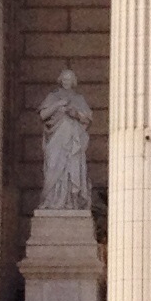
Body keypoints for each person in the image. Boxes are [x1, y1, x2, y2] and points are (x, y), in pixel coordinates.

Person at [39, 69, 93, 212]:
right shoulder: (53, 96)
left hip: (73, 140)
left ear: (73, 81)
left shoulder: (79, 99)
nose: (66, 82)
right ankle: (51, 199)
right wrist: (57, 105)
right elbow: (43, 115)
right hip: (56, 139)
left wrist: (75, 113)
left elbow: (87, 119)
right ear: (60, 80)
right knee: (53, 167)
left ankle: (71, 201)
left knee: (72, 168)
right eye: (64, 79)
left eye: (69, 79)